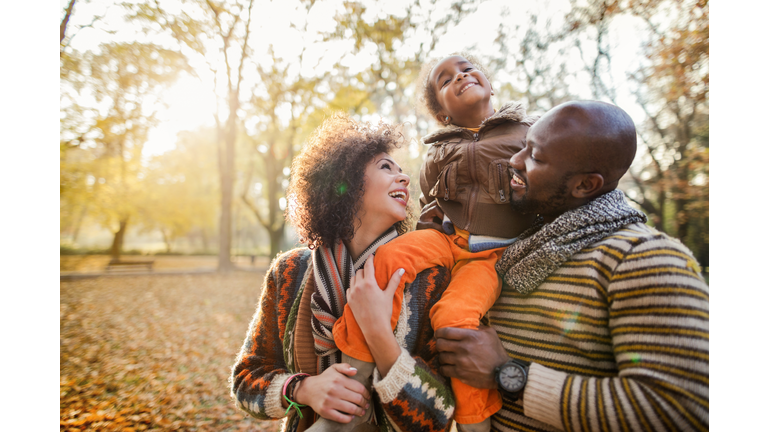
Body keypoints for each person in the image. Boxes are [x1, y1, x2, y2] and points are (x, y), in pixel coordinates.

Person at [432, 100, 709, 431]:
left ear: (585, 185)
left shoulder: (643, 258)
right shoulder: (514, 244)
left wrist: (508, 374)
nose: (514, 160)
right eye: (524, 147)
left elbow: (685, 408)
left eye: (535, 156)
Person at [331, 54, 537, 432]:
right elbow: (430, 205)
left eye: (466, 69)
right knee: (392, 255)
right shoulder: (438, 152)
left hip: (493, 255)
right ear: (442, 113)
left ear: (489, 84)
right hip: (447, 238)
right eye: (445, 80)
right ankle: (352, 379)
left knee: (455, 318)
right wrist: (427, 233)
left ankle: (475, 423)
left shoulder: (530, 131)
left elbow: (552, 183)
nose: (460, 76)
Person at [230, 114, 457, 432]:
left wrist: (378, 334)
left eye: (403, 171)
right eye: (386, 167)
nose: (404, 178)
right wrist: (304, 389)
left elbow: (440, 414)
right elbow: (245, 381)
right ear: (346, 182)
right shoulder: (289, 273)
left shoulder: (428, 279)